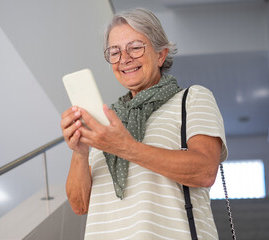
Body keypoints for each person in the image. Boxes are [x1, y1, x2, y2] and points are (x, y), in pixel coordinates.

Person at [61, 8, 228, 240]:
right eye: (115, 52)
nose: (125, 59)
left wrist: (124, 147)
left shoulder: (192, 99)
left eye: (135, 47)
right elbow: (79, 205)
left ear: (161, 55)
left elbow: (205, 171)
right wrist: (79, 153)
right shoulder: (106, 122)